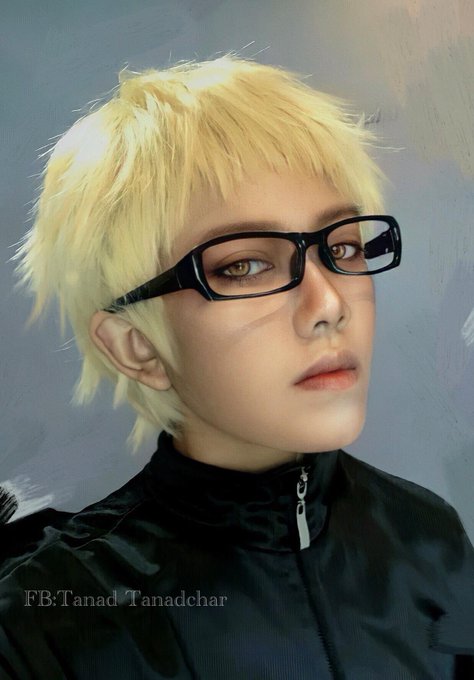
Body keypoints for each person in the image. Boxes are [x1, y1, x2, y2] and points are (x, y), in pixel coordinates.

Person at [1, 53, 473, 679]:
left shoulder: (430, 536)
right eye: (244, 265)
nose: (329, 304)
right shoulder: (44, 624)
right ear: (135, 346)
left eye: (343, 246)